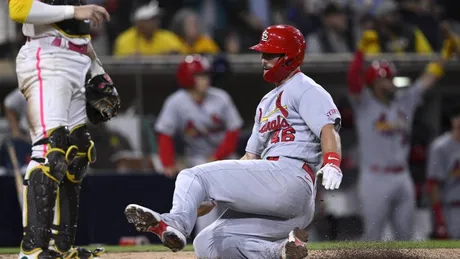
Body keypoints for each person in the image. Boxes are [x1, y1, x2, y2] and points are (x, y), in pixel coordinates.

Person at [125, 24, 343, 259]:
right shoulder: (267, 102)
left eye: (269, 54)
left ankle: (174, 222)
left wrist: (332, 161)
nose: (263, 60)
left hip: (291, 175)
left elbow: (327, 129)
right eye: (262, 53)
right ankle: (281, 251)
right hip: (284, 198)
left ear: (289, 56)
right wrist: (211, 194)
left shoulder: (306, 88)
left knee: (192, 175)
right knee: (207, 243)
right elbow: (250, 158)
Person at [8, 0, 120, 258]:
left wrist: (97, 68)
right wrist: (73, 11)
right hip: (47, 57)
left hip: (77, 59)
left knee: (78, 152)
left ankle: (62, 245)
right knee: (51, 150)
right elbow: (19, 9)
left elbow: (76, 32)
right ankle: (33, 248)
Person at [347, 23, 458, 241]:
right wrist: (360, 53)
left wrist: (445, 56)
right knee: (373, 237)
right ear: (373, 82)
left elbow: (428, 79)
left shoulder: (403, 101)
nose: (389, 82)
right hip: (374, 177)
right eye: (383, 78)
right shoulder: (364, 103)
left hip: (402, 175)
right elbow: (352, 81)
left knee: (406, 237)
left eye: (390, 78)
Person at [154, 55, 243, 236]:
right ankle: (203, 239)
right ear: (188, 78)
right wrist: (168, 162)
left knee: (234, 203)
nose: (206, 79)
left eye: (206, 75)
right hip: (197, 158)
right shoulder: (176, 102)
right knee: (203, 203)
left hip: (225, 157)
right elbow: (164, 133)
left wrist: (217, 157)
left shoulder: (221, 98)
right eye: (200, 76)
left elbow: (234, 131)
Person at [427, 106, 460, 239]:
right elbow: (433, 184)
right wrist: (439, 218)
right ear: (453, 121)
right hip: (451, 210)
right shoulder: (440, 147)